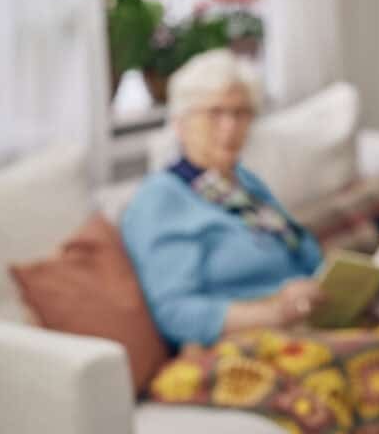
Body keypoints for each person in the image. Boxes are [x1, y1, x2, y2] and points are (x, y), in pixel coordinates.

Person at [122, 49, 326, 348]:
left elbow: (301, 249)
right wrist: (275, 312)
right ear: (180, 123)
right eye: (215, 113)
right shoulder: (160, 199)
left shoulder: (243, 181)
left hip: (307, 324)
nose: (230, 126)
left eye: (241, 112)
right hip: (236, 346)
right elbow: (174, 313)